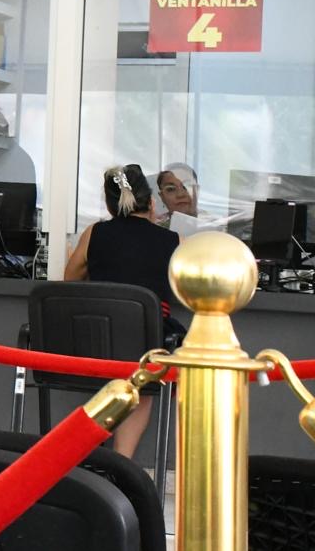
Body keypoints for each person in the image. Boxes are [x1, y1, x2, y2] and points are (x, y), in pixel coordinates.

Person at [64, 164, 181, 460]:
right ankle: (122, 459)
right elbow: (184, 290)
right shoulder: (171, 241)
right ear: (151, 203)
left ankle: (88, 455)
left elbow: (70, 279)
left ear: (109, 206)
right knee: (146, 374)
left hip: (94, 341)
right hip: (146, 346)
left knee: (131, 367)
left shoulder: (94, 233)